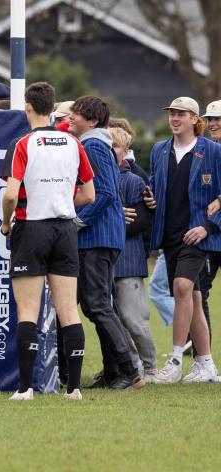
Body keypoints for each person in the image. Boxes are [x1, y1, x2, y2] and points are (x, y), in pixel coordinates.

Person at [0, 82, 95, 401]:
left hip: (32, 227)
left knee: (28, 309)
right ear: (53, 107)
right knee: (68, 309)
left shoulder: (23, 142)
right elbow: (89, 194)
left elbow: (11, 193)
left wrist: (5, 221)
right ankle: (75, 388)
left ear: (28, 107)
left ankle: (25, 388)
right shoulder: (73, 142)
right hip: (65, 230)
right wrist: (62, 201)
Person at [67, 96, 140, 389]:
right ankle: (113, 372)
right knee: (98, 305)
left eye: (77, 114)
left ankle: (128, 370)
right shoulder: (95, 144)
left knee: (98, 305)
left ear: (93, 121)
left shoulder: (94, 145)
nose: (70, 117)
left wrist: (79, 221)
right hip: (103, 236)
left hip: (97, 237)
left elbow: (107, 192)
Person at [147, 97, 220, 384]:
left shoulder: (213, 151)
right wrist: (149, 197)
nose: (175, 118)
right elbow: (155, 185)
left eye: (181, 114)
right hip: (169, 234)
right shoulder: (159, 149)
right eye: (172, 114)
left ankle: (176, 360)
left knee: (181, 287)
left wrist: (207, 227)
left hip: (197, 235)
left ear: (194, 119)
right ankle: (206, 364)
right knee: (195, 296)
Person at [109, 126, 157, 380]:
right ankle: (132, 366)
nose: (110, 150)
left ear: (126, 151)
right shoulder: (94, 179)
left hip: (128, 260)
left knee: (133, 319)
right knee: (113, 321)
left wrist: (109, 220)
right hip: (103, 261)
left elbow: (140, 222)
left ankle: (150, 366)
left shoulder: (135, 180)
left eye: (115, 145)